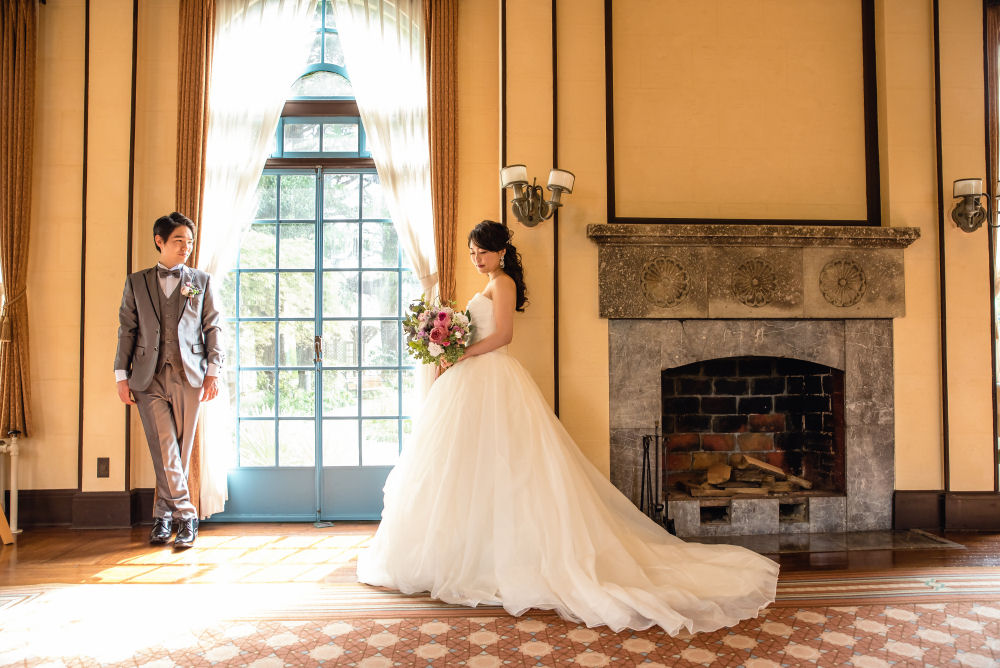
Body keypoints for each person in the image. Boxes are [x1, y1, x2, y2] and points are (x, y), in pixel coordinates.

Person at [357, 220, 779, 634]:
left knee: (509, 467)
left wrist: (461, 355)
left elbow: (503, 335)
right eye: (471, 253)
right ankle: (465, 552)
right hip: (473, 381)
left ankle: (501, 558)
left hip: (490, 377)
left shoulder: (503, 282)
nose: (476, 259)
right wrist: (450, 344)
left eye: (481, 252)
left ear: (501, 250)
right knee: (469, 468)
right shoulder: (491, 282)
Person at [114, 212, 224, 549]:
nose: (186, 248)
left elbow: (213, 327)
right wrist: (121, 375)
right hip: (146, 377)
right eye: (179, 241)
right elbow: (127, 330)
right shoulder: (136, 282)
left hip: (190, 375)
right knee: (165, 447)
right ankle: (187, 516)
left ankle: (163, 517)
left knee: (177, 449)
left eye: (189, 242)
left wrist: (213, 370)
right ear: (159, 241)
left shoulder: (199, 281)